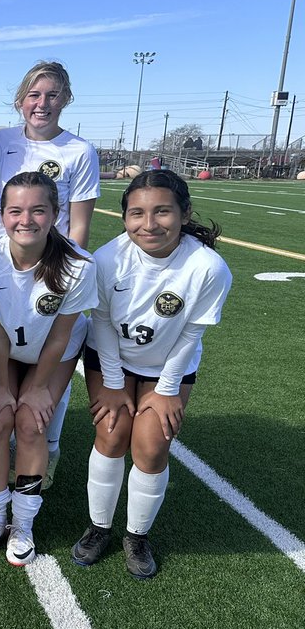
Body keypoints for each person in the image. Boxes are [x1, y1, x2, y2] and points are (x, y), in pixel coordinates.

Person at [73, 171, 231, 578]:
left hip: (169, 366)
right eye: (137, 213)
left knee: (151, 446)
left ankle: (136, 535)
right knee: (111, 434)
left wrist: (165, 390)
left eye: (162, 211)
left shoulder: (208, 267)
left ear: (184, 213)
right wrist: (111, 383)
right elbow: (103, 323)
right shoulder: (108, 259)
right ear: (124, 217)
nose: (149, 224)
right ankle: (98, 528)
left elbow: (191, 334)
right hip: (113, 358)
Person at [0, 171, 97, 566]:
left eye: (38, 210)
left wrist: (38, 389)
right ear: (1, 215)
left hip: (51, 351)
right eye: (15, 210)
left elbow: (59, 337)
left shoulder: (79, 264)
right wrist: (1, 386)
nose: (26, 220)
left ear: (55, 213)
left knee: (31, 423)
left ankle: (22, 524)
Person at [0, 61, 99, 490]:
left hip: (54, 273)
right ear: (20, 100)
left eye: (51, 95)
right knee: (0, 381)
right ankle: (0, 460)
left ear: (66, 99)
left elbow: (79, 226)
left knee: (47, 386)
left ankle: (46, 448)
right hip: (9, 267)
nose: (42, 103)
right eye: (34, 94)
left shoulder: (80, 151)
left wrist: (59, 272)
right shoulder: (1, 141)